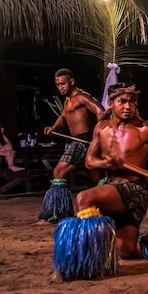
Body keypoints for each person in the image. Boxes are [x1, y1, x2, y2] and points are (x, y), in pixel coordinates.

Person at [52, 83, 148, 282]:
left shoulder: (146, 130)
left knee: (84, 198)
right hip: (112, 188)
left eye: (132, 102)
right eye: (122, 101)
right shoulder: (101, 129)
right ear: (111, 103)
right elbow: (90, 161)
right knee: (127, 251)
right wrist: (105, 161)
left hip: (134, 191)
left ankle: (86, 265)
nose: (128, 106)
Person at [37, 68, 104, 224]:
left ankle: (57, 214)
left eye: (63, 84)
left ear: (71, 82)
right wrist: (53, 128)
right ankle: (105, 204)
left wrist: (100, 131)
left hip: (83, 140)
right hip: (76, 140)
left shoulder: (81, 97)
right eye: (58, 84)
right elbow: (64, 116)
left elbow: (99, 110)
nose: (60, 87)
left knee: (59, 171)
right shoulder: (67, 99)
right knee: (95, 177)